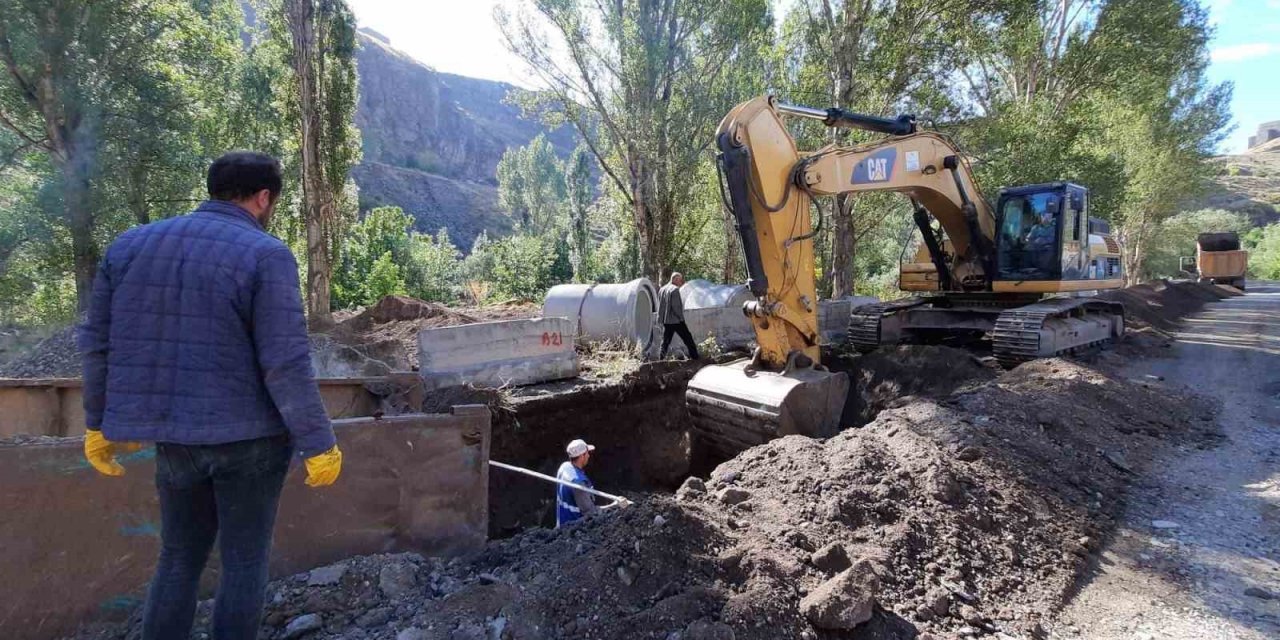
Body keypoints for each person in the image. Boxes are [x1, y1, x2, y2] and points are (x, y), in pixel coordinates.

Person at [78, 151, 342, 640]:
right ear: (264, 198)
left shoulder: (130, 245)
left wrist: (98, 423)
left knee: (178, 556)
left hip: (174, 437)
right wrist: (318, 441)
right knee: (243, 563)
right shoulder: (265, 253)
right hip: (251, 441)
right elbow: (284, 360)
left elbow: (97, 343)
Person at [556, 438, 598, 527]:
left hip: (561, 524)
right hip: (575, 531)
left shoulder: (564, 467)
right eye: (587, 453)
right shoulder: (578, 484)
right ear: (582, 456)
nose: (589, 456)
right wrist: (614, 506)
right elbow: (591, 513)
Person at [658, 272, 700, 360]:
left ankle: (660, 359)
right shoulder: (675, 290)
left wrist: (661, 319)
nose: (680, 282)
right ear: (675, 279)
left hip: (666, 320)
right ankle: (695, 358)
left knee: (665, 341)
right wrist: (681, 319)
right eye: (679, 280)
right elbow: (676, 307)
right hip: (676, 320)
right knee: (688, 338)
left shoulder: (662, 289)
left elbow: (660, 306)